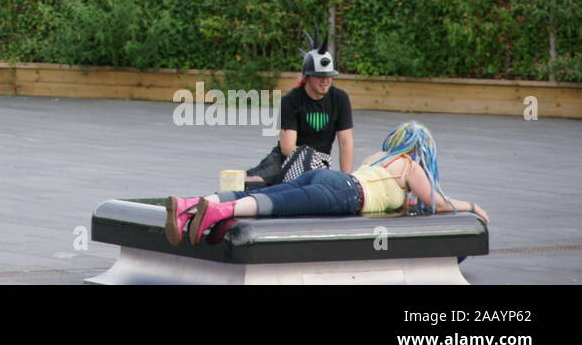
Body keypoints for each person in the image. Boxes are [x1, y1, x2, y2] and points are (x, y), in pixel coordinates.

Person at [166, 121, 489, 246]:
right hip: (346, 193)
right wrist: (472, 207)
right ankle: (218, 211)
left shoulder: (378, 157)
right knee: (278, 205)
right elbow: (438, 202)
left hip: (333, 177)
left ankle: (189, 205)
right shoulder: (409, 165)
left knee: (269, 191)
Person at [244, 40, 354, 187]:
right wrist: (310, 165)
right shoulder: (291, 100)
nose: (325, 81)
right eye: (320, 76)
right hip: (287, 158)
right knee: (254, 183)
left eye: (329, 76)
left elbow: (345, 142)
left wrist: (347, 180)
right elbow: (287, 147)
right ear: (307, 77)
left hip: (321, 162)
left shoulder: (340, 98)